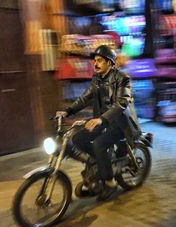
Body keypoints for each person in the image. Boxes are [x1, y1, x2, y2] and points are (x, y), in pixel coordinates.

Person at [56, 45, 141, 201]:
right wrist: (68, 111)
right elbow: (85, 98)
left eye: (100, 60)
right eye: (95, 60)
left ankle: (110, 182)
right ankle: (99, 166)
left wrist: (101, 119)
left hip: (120, 123)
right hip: (102, 120)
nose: (95, 64)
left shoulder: (123, 78)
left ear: (109, 62)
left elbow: (122, 103)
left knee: (99, 144)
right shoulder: (96, 79)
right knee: (77, 139)